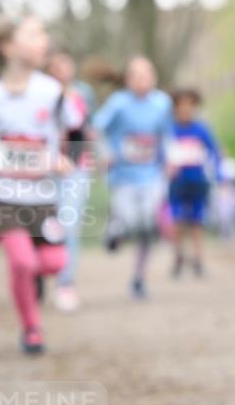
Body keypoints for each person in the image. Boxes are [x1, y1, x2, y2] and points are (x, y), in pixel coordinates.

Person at [0, 17, 79, 354]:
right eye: (34, 34)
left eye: (44, 34)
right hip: (3, 197)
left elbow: (76, 131)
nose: (43, 40)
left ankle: (29, 283)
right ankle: (31, 328)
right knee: (23, 263)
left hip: (42, 196)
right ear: (7, 47)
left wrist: (65, 158)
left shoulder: (52, 92)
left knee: (55, 263)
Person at [92, 56, 172, 299]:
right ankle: (115, 229)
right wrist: (105, 153)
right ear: (128, 80)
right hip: (123, 176)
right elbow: (96, 130)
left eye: (147, 74)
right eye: (136, 75)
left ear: (154, 77)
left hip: (152, 175)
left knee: (147, 224)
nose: (142, 80)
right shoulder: (118, 103)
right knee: (128, 220)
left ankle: (139, 277)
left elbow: (167, 134)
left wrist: (171, 159)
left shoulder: (162, 103)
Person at [46, 49, 95, 312]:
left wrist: (73, 163)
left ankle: (66, 283)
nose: (60, 69)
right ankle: (39, 274)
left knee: (69, 224)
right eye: (53, 65)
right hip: (43, 170)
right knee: (42, 224)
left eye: (64, 63)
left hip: (75, 169)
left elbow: (84, 130)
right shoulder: (38, 94)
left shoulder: (83, 94)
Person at [166, 88, 220, 276]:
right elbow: (161, 152)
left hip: (197, 180)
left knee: (197, 220)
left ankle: (198, 258)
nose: (186, 109)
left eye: (190, 105)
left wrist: (217, 173)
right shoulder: (169, 130)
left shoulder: (201, 130)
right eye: (182, 105)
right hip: (177, 182)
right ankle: (178, 256)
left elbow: (215, 151)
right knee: (177, 220)